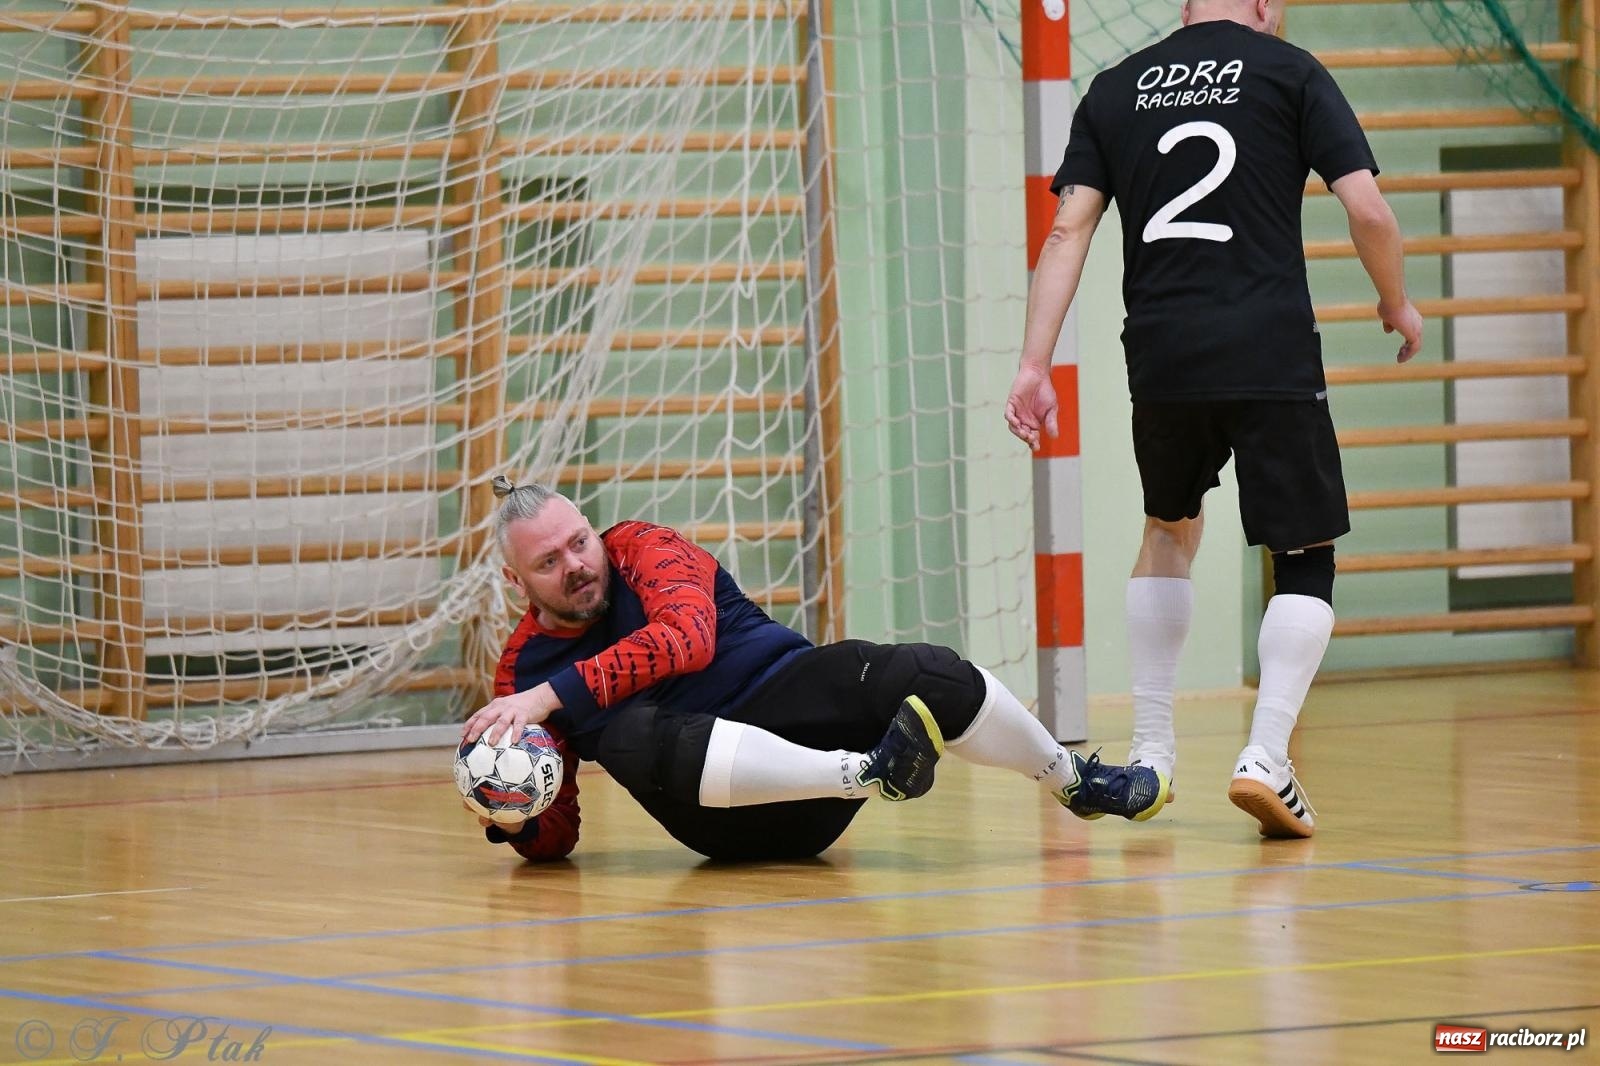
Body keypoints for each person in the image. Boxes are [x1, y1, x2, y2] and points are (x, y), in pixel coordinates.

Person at [1004, 0, 1423, 839]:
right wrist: (1396, 300)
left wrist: (1033, 364)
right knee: (1303, 551)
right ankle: (1266, 756)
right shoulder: (1291, 71)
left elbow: (1066, 233)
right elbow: (1369, 211)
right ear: (1266, 5)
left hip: (1162, 353)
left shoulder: (1116, 86)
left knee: (1169, 525)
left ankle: (1153, 757)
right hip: (1267, 348)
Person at [460, 477, 1170, 862]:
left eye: (578, 541)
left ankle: (1075, 781)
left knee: (922, 671)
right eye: (548, 562)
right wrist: (513, 810)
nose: (577, 565)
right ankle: (873, 773)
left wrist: (556, 697)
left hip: (791, 713)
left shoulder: (644, 548)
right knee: (626, 733)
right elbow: (557, 840)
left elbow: (687, 639)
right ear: (516, 581)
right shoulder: (521, 675)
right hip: (722, 818)